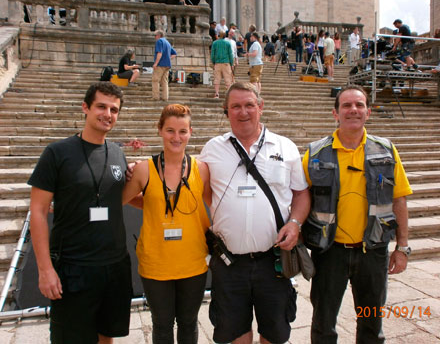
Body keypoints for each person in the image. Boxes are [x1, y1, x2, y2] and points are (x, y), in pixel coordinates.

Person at [200, 82, 311, 344]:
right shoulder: (212, 149)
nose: (243, 112)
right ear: (226, 111)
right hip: (229, 263)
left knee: (274, 333)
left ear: (260, 107)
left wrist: (295, 223)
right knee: (235, 333)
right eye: (235, 106)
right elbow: (204, 192)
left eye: (249, 105)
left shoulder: (285, 147)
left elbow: (301, 194)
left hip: (272, 261)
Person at [302, 86, 413, 343]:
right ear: (335, 113)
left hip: (372, 252)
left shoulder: (386, 151)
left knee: (371, 323)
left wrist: (402, 247)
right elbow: (301, 198)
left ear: (368, 112)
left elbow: (399, 199)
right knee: (324, 323)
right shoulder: (315, 154)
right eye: (347, 105)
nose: (354, 110)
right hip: (329, 253)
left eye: (360, 105)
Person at [28, 82, 133, 344]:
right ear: (85, 108)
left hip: (114, 266)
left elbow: (122, 197)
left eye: (114, 109)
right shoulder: (57, 153)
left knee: (107, 336)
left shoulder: (118, 153)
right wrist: (45, 270)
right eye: (101, 106)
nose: (107, 114)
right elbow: (38, 212)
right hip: (73, 269)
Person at [122, 104, 211, 344]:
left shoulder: (201, 169)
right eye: (170, 130)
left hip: (193, 262)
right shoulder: (143, 169)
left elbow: (217, 204)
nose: (176, 137)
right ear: (160, 130)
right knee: (161, 325)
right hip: (156, 263)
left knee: (189, 322)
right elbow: (122, 198)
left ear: (190, 132)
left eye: (182, 131)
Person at [152, 30, 177, 101]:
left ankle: (155, 97)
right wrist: (167, 58)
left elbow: (159, 53)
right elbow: (174, 54)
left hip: (160, 64)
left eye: (155, 35)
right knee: (164, 81)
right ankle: (165, 97)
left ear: (159, 35)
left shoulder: (159, 41)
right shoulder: (167, 42)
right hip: (167, 65)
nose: (155, 37)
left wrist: (155, 63)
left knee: (155, 80)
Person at [211, 30, 234, 98]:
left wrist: (213, 62)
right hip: (226, 63)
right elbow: (230, 54)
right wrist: (231, 63)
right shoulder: (228, 43)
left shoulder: (215, 43)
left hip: (217, 63)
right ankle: (228, 94)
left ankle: (217, 93)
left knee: (217, 79)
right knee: (228, 79)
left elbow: (212, 54)